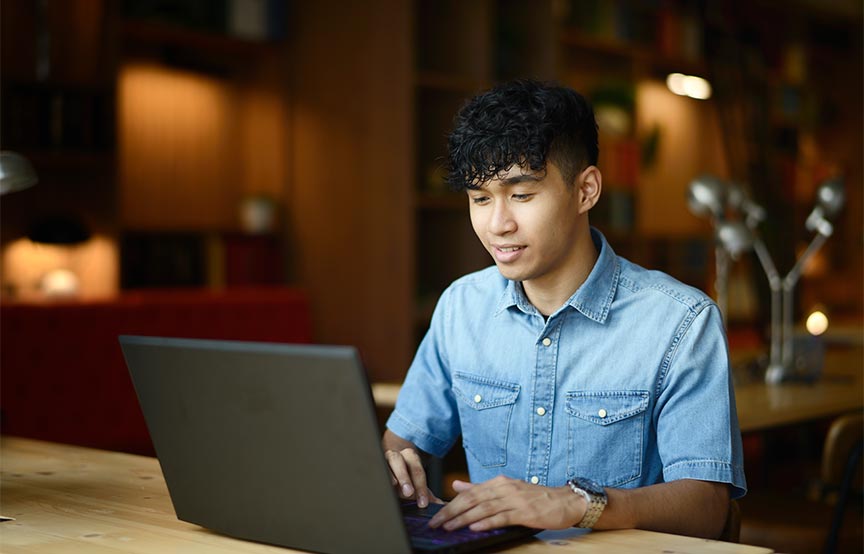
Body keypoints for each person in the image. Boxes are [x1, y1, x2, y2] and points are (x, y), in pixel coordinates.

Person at [382, 80, 746, 539]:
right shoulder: (461, 307)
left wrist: (574, 504)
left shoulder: (681, 321)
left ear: (586, 190)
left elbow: (707, 508)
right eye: (480, 199)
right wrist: (392, 468)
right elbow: (400, 446)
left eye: (522, 195)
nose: (498, 224)